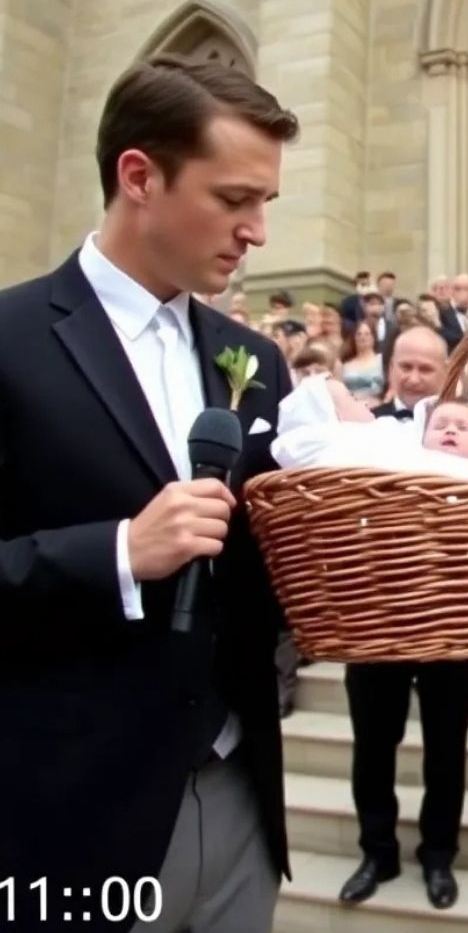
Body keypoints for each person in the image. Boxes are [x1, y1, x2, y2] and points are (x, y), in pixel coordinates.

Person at [0, 55, 299, 933]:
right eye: (234, 199)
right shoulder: (10, 342)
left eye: (265, 206)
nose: (256, 232)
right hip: (69, 817)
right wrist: (118, 554)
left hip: (239, 797)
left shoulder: (256, 363)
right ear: (140, 175)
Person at [340, 326, 468, 911]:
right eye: (405, 365)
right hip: (379, 614)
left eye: (427, 367)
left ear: (447, 371)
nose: (414, 376)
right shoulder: (364, 433)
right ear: (389, 366)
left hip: (451, 618)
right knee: (373, 740)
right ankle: (377, 850)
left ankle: (438, 855)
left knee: (446, 744)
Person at [341, 319, 385, 403]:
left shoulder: (382, 360)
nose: (363, 337)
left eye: (367, 334)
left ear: (374, 337)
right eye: (359, 334)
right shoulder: (345, 365)